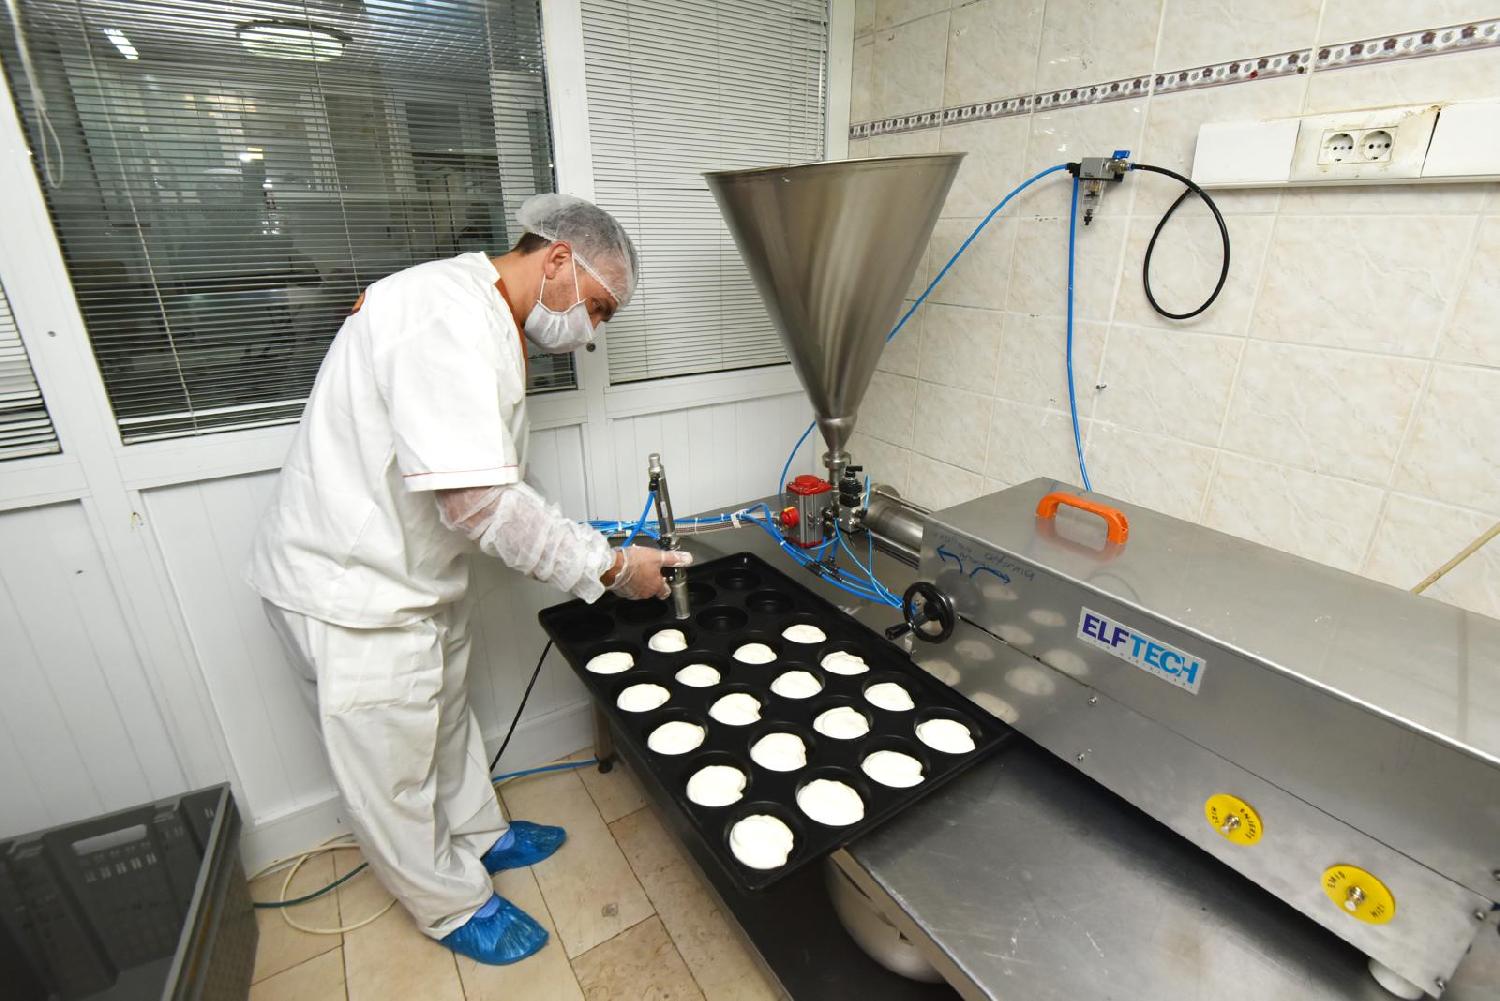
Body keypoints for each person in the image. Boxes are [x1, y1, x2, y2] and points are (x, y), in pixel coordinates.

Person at [246, 194, 689, 965]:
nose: (591, 332)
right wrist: (614, 568)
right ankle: (451, 905)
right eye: (597, 307)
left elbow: (491, 477)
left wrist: (594, 544)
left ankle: (482, 834)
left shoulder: (484, 311)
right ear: (557, 260)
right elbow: (481, 503)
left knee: (444, 720)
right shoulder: (442, 315)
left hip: (415, 576)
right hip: (353, 589)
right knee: (390, 767)